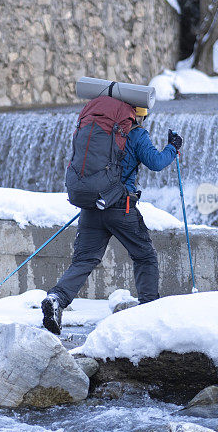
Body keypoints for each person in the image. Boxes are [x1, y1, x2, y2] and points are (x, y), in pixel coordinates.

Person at [41, 105, 183, 335]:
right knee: (144, 256)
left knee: (83, 260)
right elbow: (156, 163)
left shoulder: (96, 132)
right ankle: (149, 310)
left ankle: (56, 298)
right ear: (139, 116)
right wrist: (173, 147)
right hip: (120, 208)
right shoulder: (136, 134)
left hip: (91, 206)